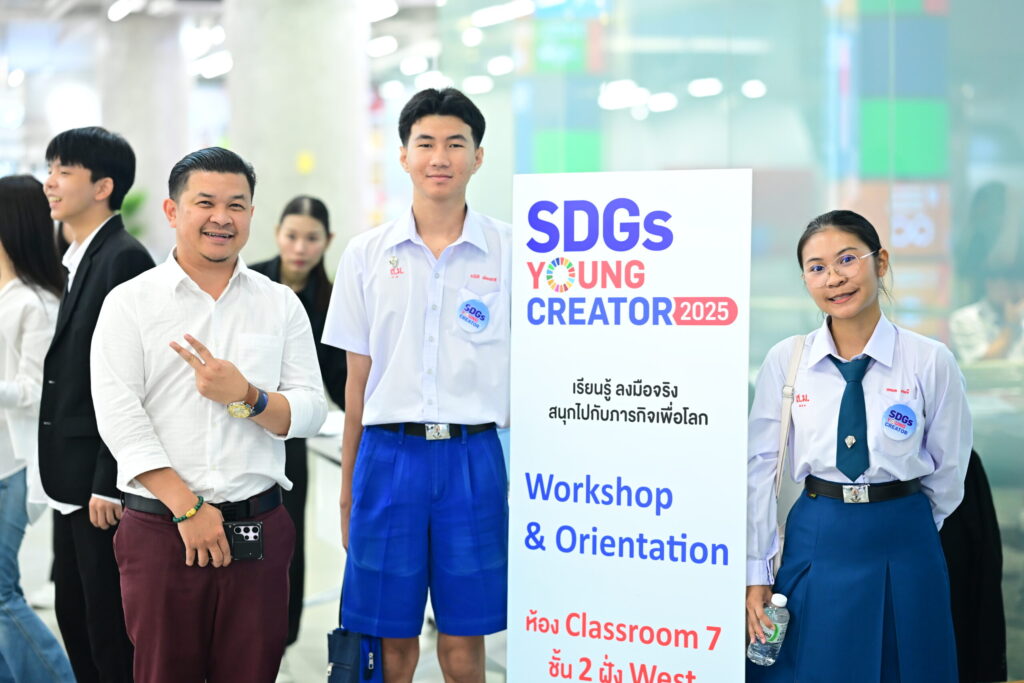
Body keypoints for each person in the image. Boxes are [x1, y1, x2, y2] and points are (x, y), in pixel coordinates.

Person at [90, 147, 327, 683]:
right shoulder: (130, 303)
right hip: (160, 530)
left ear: (251, 214)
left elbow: (311, 409)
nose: (222, 217)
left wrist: (248, 395)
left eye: (236, 205)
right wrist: (189, 508)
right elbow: (120, 418)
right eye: (205, 203)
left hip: (258, 527)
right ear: (173, 211)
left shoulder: (279, 303)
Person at [323, 87, 510, 683]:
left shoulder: (515, 252)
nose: (440, 157)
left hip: (473, 457)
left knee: (464, 640)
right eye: (425, 143)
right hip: (388, 458)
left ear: (478, 156)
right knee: (390, 643)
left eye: (456, 144)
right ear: (402, 155)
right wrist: (348, 489)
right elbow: (356, 385)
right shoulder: (365, 255)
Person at [745, 209, 972, 682]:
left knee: (908, 666)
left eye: (847, 259)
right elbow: (760, 471)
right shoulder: (787, 361)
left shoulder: (929, 360)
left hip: (905, 539)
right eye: (817, 267)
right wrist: (756, 572)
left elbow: (949, 472)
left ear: (880, 262)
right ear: (805, 279)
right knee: (809, 666)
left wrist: (901, 521)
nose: (834, 278)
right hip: (816, 534)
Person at [38, 126, 154, 683]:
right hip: (69, 477)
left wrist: (110, 479)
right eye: (50, 169)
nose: (50, 182)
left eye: (63, 171)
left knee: (107, 627)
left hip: (98, 483)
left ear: (103, 186)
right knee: (75, 612)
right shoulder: (78, 255)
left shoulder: (123, 258)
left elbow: (132, 381)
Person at [250, 195, 347, 650]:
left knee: (288, 537)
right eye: (292, 236)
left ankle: (283, 638)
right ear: (277, 234)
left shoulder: (332, 299)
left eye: (312, 238)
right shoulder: (251, 282)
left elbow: (340, 380)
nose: (300, 247)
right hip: (241, 424)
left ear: (328, 240)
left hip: (291, 437)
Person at [0, 175, 75, 682]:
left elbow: (36, 391)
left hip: (18, 463)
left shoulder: (36, 302)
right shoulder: (8, 294)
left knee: (2, 591)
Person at [949, 268, 1024, 363]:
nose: (1014, 289)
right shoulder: (964, 319)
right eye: (1009, 282)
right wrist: (1010, 326)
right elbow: (981, 364)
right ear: (989, 283)